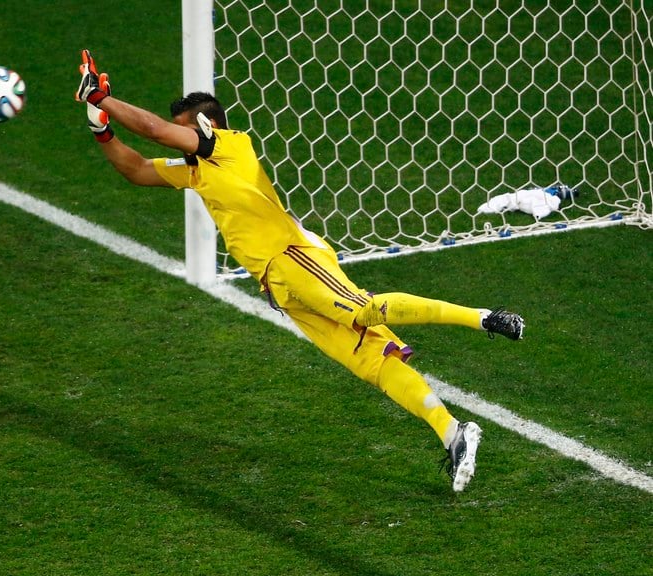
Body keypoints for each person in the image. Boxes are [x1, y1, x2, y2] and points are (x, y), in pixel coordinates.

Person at [74, 49, 524, 492]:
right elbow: (134, 169)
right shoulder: (195, 172)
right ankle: (453, 433)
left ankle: (485, 317)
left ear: (207, 126)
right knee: (371, 361)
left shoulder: (232, 146)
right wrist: (102, 130)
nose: (177, 138)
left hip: (295, 259)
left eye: (183, 131)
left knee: (366, 311)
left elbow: (154, 132)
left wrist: (102, 98)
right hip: (280, 286)